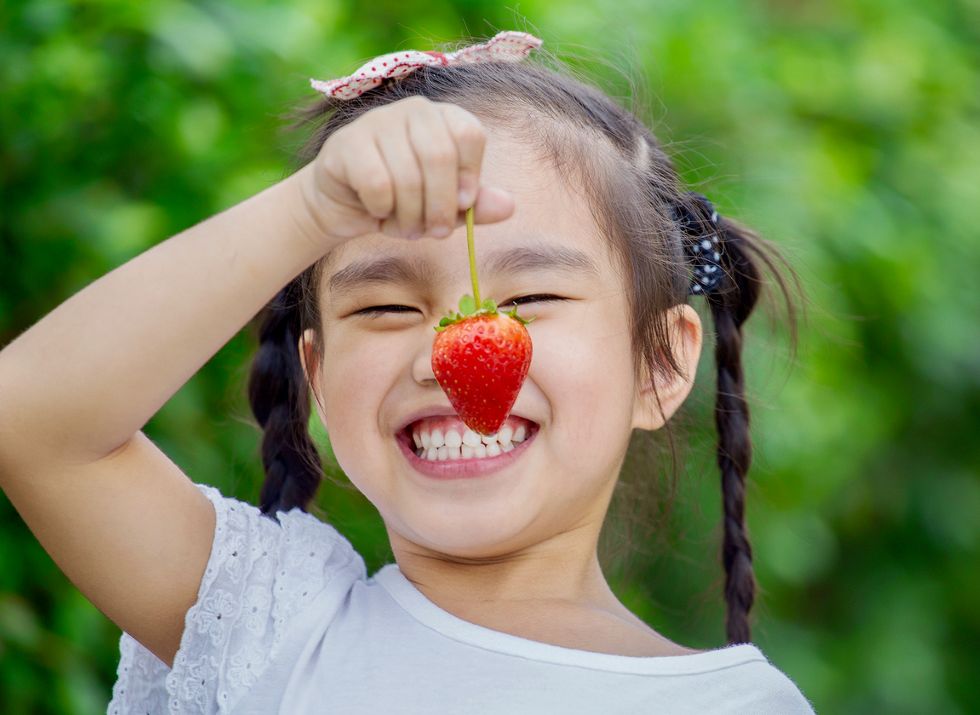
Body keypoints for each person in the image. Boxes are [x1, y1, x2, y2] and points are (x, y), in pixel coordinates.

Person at [0, 30, 816, 714]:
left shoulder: (736, 705)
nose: (444, 355)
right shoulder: (276, 631)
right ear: (318, 379)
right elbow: (29, 417)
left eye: (530, 297)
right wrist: (311, 208)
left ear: (661, 362)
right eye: (386, 307)